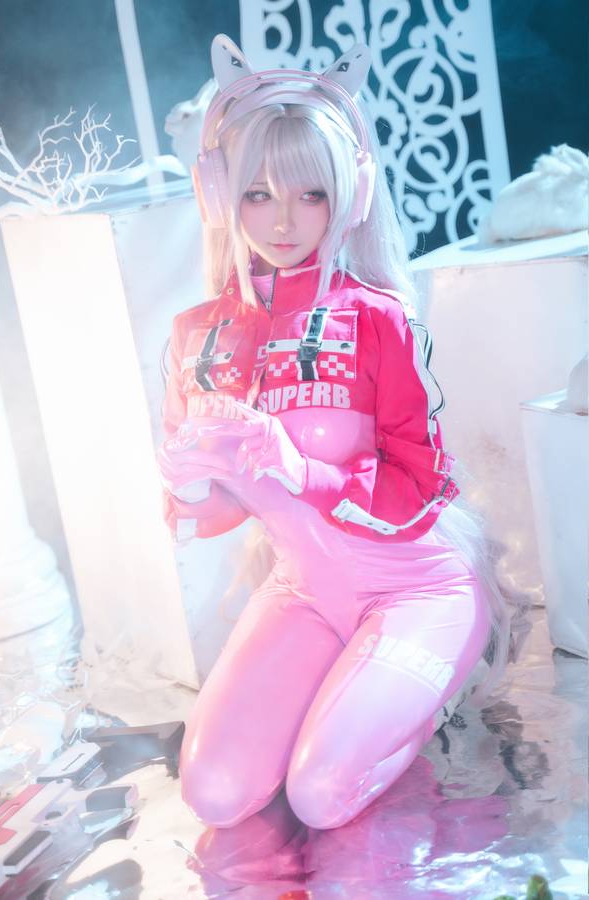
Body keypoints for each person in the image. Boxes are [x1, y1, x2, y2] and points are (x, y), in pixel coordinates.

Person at [156, 34, 514, 832]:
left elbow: (423, 485)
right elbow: (216, 510)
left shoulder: (379, 319)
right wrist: (188, 493)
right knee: (214, 792)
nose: (283, 220)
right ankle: (352, 702)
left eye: (309, 194)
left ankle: (405, 708)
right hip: (307, 590)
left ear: (348, 196)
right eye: (258, 194)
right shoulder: (198, 335)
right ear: (220, 194)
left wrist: (295, 467)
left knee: (319, 795)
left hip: (419, 589)